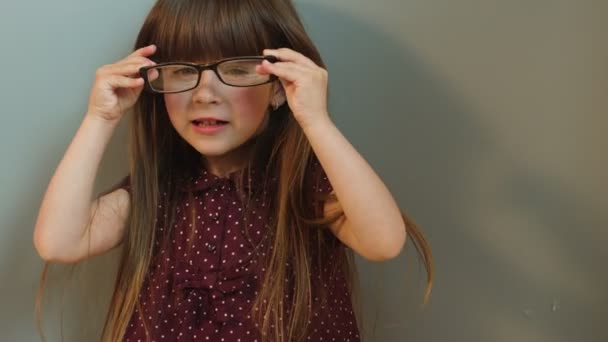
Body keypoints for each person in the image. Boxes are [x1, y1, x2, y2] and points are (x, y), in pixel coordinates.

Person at [33, 0, 433, 341]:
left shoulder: (303, 188)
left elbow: (383, 241)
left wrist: (315, 119)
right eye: (183, 71)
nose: (205, 94)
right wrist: (100, 118)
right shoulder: (158, 194)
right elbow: (59, 242)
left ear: (279, 86)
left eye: (238, 70)